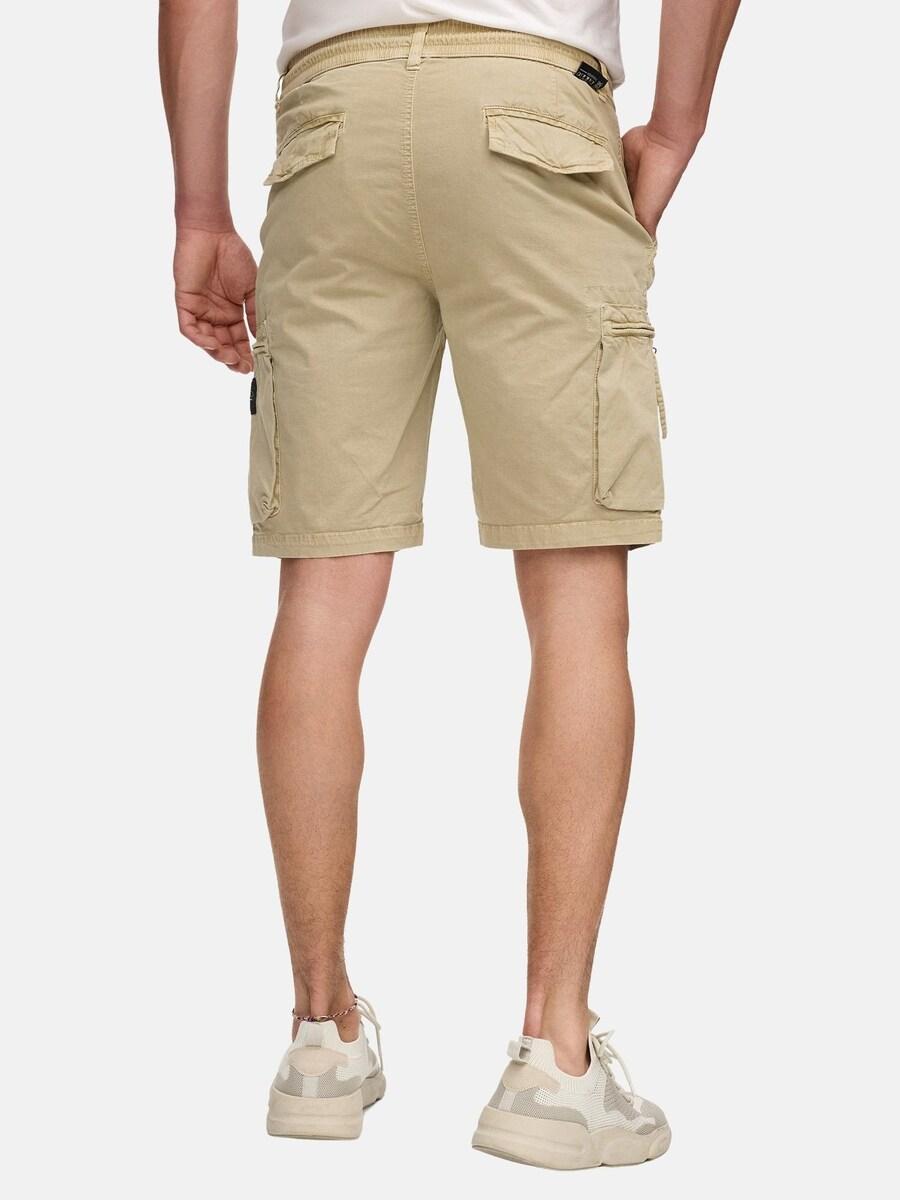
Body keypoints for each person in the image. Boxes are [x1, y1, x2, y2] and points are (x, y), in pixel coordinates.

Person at [159, 0, 739, 1170]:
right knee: (575, 594)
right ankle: (553, 1063)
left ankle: (319, 1038)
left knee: (322, 598)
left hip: (334, 127)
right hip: (532, 118)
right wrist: (677, 123)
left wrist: (200, 209)